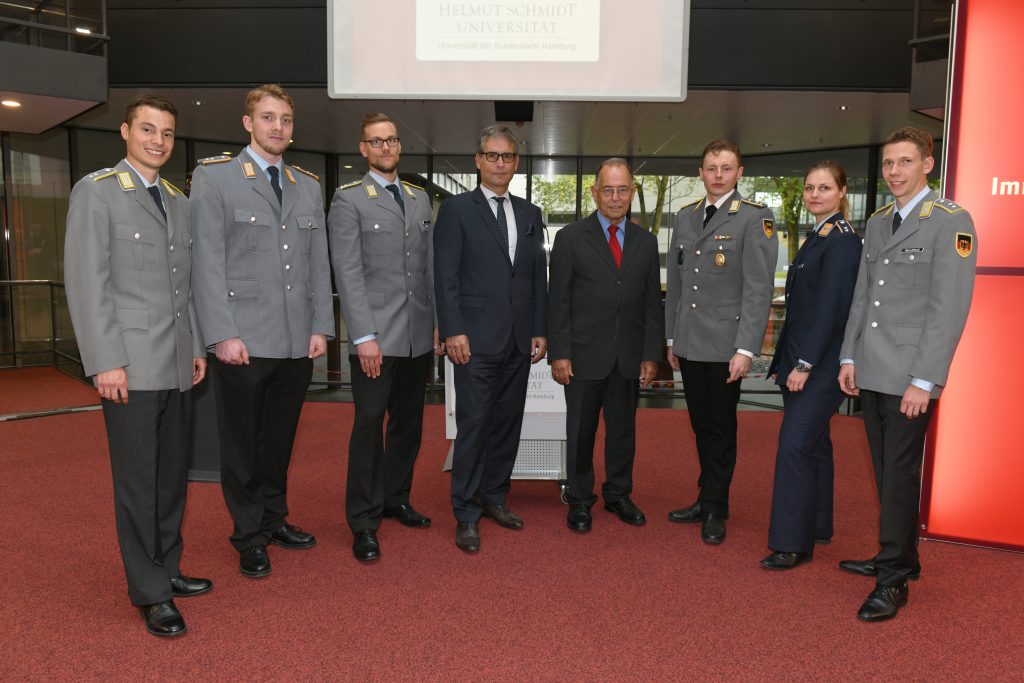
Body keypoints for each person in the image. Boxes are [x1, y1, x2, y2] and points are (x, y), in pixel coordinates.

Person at [64, 94, 211, 637]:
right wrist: (105, 361)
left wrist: (194, 345)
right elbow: (87, 282)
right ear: (126, 131)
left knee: (171, 476)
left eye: (167, 133)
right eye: (148, 130)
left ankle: (167, 568)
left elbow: (184, 286)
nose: (158, 141)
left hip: (174, 362)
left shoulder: (176, 200)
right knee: (137, 481)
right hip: (127, 363)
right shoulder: (98, 192)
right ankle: (149, 591)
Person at [190, 84, 334, 578]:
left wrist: (321, 327)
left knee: (278, 440)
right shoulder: (216, 180)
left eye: (286, 119)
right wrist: (220, 333)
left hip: (296, 340)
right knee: (242, 444)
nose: (278, 127)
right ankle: (248, 533)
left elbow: (318, 263)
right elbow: (206, 263)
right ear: (248, 123)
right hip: (243, 340)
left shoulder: (307, 185)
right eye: (268, 117)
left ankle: (274, 518)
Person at [838, 127, 976, 621]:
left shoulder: (949, 221)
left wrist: (925, 380)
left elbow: (948, 309)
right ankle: (901, 556)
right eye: (889, 164)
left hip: (909, 378)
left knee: (897, 477)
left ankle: (892, 581)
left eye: (904, 162)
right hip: (872, 367)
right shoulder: (878, 221)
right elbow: (863, 295)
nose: (894, 172)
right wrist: (849, 357)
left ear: (927, 165)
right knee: (884, 472)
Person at [329, 113, 444, 562]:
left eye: (392, 140)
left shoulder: (419, 199)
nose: (386, 147)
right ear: (363, 149)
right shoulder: (349, 200)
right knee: (368, 424)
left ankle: (396, 497)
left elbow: (429, 269)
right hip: (375, 338)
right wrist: (363, 336)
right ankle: (363, 518)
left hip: (417, 334)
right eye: (376, 142)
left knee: (408, 424)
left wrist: (436, 321)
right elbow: (349, 272)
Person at [433, 124, 548, 553]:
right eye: (492, 156)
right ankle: (465, 512)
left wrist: (540, 328)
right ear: (478, 161)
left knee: (506, 424)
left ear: (516, 164)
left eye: (508, 157)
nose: (500, 163)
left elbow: (537, 276)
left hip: (519, 340)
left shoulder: (530, 213)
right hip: (474, 341)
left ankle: (494, 497)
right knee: (474, 425)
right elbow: (444, 277)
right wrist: (453, 329)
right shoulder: (457, 210)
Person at [665, 139, 778, 544]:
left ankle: (716, 507)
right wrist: (672, 336)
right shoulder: (686, 216)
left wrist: (746, 349)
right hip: (691, 343)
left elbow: (758, 289)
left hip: (727, 346)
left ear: (739, 173)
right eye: (711, 167)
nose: (718, 175)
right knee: (700, 425)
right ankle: (705, 494)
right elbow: (676, 282)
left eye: (726, 168)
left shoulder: (754, 218)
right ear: (701, 172)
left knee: (721, 428)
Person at [547, 158, 663, 532]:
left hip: (627, 357)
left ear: (632, 192)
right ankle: (580, 499)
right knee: (580, 433)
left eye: (623, 189)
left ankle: (618, 494)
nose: (615, 197)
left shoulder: (646, 242)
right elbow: (558, 301)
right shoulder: (569, 238)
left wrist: (650, 354)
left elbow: (651, 304)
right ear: (594, 192)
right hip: (581, 357)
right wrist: (560, 353)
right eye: (608, 190)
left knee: (623, 432)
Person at [760, 161, 862, 570]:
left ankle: (792, 543)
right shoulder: (818, 236)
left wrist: (802, 364)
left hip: (818, 365)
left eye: (824, 188)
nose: (815, 194)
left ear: (841, 192)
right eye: (809, 188)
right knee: (816, 444)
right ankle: (818, 524)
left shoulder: (841, 241)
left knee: (795, 446)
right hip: (803, 360)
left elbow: (831, 311)